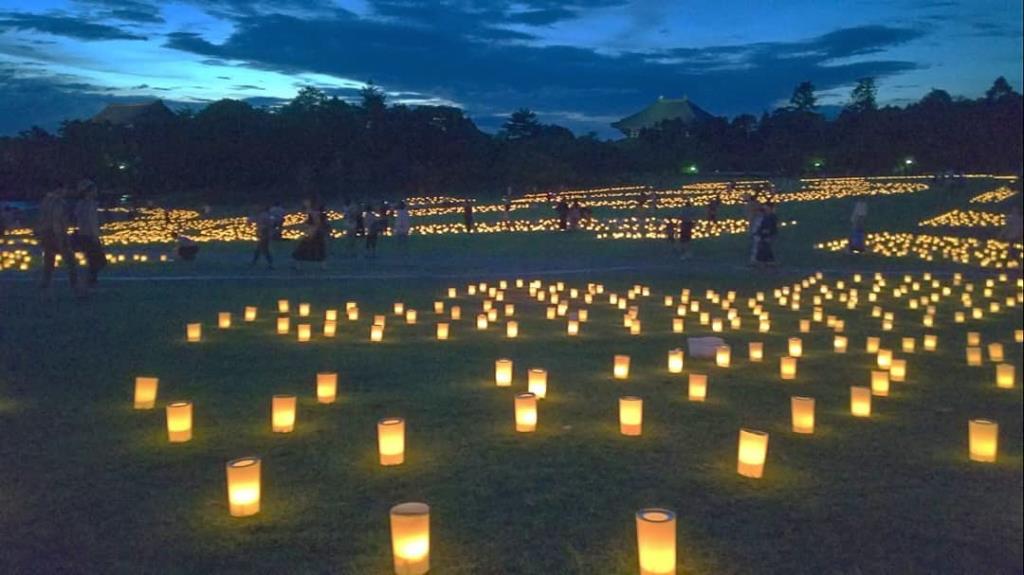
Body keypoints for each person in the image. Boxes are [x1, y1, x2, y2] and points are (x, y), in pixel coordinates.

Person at [36, 187, 81, 294]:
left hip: (46, 233)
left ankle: (45, 282)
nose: (67, 191)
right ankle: (74, 283)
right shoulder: (59, 202)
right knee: (70, 259)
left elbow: (41, 218)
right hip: (56, 233)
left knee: (49, 258)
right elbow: (58, 220)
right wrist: (62, 236)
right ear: (60, 189)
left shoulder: (45, 201)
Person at [72, 180, 106, 287]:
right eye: (94, 190)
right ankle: (88, 280)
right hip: (89, 236)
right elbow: (91, 221)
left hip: (84, 235)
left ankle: (90, 280)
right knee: (98, 260)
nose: (96, 192)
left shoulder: (81, 205)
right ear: (88, 192)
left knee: (93, 260)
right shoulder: (88, 205)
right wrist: (95, 235)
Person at [753, 203, 779, 267]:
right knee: (764, 247)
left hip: (767, 235)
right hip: (764, 234)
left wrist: (766, 233)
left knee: (765, 248)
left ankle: (765, 262)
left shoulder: (771, 217)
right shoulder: (767, 216)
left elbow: (770, 227)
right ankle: (766, 261)